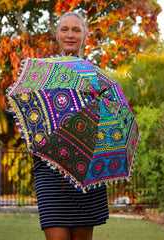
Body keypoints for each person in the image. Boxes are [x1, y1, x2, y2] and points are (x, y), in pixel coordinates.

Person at [33, 12, 109, 240]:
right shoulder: (42, 72)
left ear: (85, 36)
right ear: (57, 35)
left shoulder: (97, 78)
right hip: (50, 168)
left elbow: (104, 123)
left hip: (86, 170)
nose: (70, 34)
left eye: (76, 30)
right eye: (65, 29)